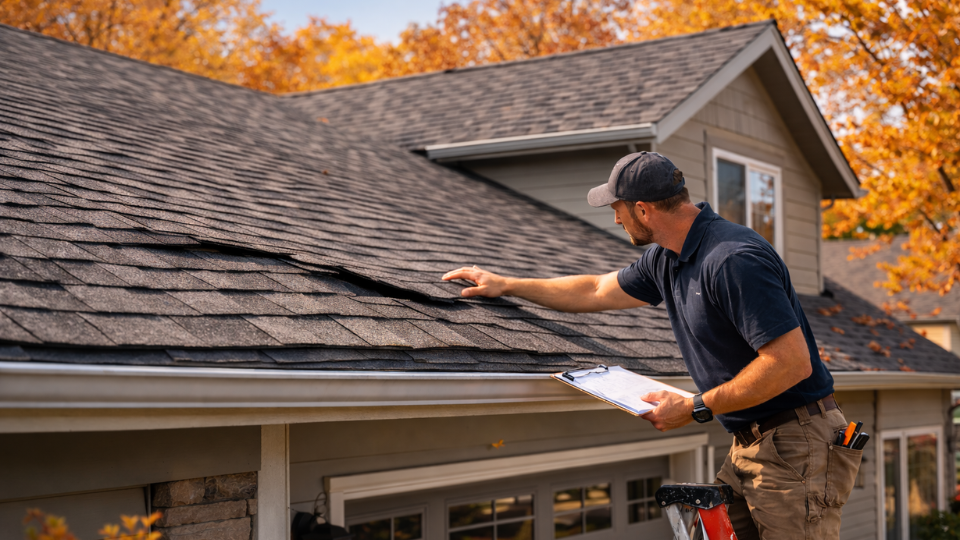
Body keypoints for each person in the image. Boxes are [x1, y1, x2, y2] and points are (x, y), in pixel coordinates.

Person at [442, 152, 860, 540]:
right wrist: (506, 284)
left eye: (617, 209)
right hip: (753, 442)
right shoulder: (669, 257)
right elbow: (596, 289)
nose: (616, 221)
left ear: (643, 209)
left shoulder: (732, 259)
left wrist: (697, 406)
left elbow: (790, 363)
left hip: (796, 442)